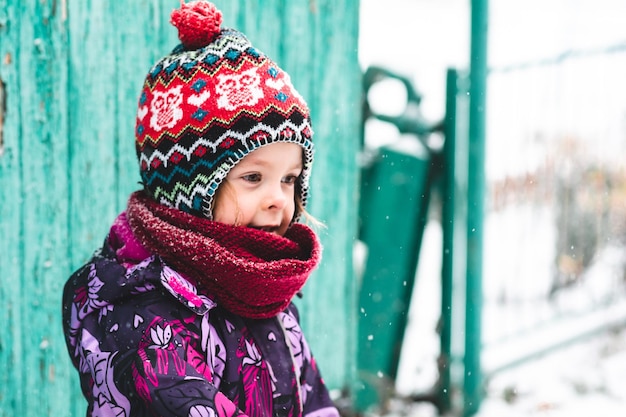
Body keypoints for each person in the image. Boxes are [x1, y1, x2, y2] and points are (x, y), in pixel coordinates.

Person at [61, 1, 340, 416]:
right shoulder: (144, 312)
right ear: (188, 189)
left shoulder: (263, 292)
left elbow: (313, 401)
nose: (278, 199)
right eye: (252, 178)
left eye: (289, 178)